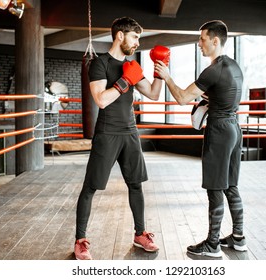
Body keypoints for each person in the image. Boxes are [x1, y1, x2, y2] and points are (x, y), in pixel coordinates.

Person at [74, 16, 170, 260]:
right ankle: (80, 240)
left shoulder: (133, 65)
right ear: (120, 35)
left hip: (130, 132)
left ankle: (140, 234)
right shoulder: (99, 64)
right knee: (91, 186)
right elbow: (101, 100)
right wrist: (125, 81)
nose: (138, 42)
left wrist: (161, 73)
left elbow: (154, 95)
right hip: (107, 133)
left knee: (135, 183)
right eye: (135, 37)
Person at [154, 20, 247, 258]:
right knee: (231, 185)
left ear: (215, 41)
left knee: (215, 187)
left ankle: (213, 244)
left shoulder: (213, 69)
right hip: (235, 128)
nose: (199, 43)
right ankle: (238, 238)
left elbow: (183, 98)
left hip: (219, 130)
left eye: (202, 39)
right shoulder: (234, 66)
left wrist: (167, 77)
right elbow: (220, 93)